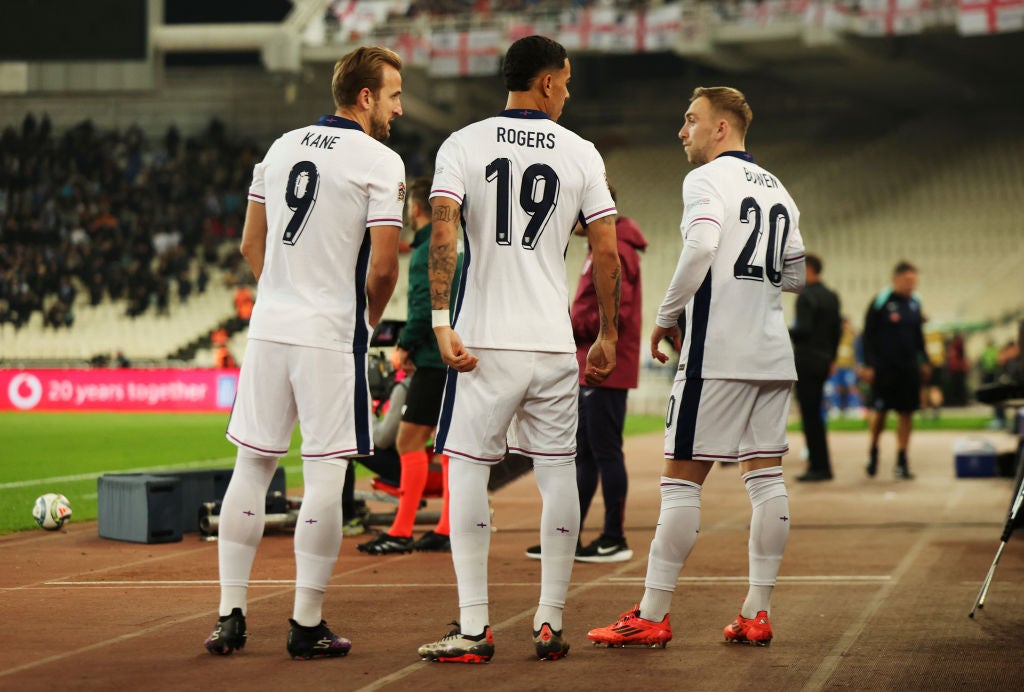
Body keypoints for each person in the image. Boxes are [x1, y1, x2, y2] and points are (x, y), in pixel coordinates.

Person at [417, 35, 621, 663]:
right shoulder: (581, 151)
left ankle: (475, 628)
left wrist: (439, 318)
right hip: (553, 342)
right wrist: (608, 332)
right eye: (567, 79)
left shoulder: (464, 143)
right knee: (558, 472)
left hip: (484, 339)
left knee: (467, 471)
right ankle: (550, 621)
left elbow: (443, 226)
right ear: (549, 81)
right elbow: (606, 249)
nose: (569, 90)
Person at [203, 46, 405, 660]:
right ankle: (305, 623)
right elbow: (384, 267)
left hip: (269, 327)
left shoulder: (281, 147)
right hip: (327, 330)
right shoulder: (380, 160)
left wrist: (279, 296)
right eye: (394, 95)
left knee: (252, 467)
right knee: (325, 471)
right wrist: (363, 323)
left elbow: (248, 243)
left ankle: (229, 617)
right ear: (365, 98)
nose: (398, 108)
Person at [587, 86, 806, 650]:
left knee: (681, 482)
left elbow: (703, 244)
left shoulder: (705, 179)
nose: (682, 131)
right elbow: (796, 273)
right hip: (772, 351)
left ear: (721, 130)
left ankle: (653, 612)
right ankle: (757, 611)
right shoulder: (779, 189)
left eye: (691, 120)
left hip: (718, 355)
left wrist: (665, 315)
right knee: (766, 480)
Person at [524, 187, 647, 563]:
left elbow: (617, 315)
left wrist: (568, 322)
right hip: (594, 364)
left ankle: (614, 536)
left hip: (604, 366)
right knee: (587, 454)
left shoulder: (617, 252)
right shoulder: (602, 250)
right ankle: (569, 536)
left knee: (604, 452)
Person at [358, 177, 459, 555]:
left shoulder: (426, 250)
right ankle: (447, 527)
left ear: (415, 209)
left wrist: (405, 346)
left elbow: (423, 308)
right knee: (448, 445)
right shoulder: (459, 246)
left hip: (434, 358)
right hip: (457, 356)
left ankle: (401, 531)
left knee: (408, 440)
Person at [862, 261, 928, 480]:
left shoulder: (915, 303)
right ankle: (873, 451)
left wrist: (924, 360)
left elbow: (919, 335)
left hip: (908, 368)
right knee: (881, 412)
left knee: (906, 413)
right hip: (884, 368)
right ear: (896, 279)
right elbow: (867, 335)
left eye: (914, 281)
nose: (911, 285)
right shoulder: (881, 301)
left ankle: (902, 460)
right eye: (908, 280)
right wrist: (869, 364)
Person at [789, 254, 841, 482]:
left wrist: (782, 330)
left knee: (810, 416)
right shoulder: (831, 296)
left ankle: (818, 467)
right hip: (823, 361)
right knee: (816, 415)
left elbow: (804, 330)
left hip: (807, 360)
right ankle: (822, 465)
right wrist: (832, 359)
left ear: (808, 269)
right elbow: (836, 331)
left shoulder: (805, 297)